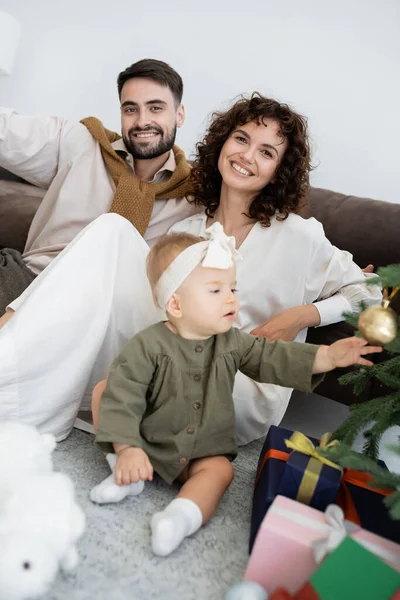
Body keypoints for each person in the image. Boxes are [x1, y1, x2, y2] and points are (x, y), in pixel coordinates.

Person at [89, 224, 382, 557]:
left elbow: (275, 356)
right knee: (105, 392)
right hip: (147, 438)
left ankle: (180, 518)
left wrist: (326, 356)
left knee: (220, 471)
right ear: (176, 304)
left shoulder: (233, 343)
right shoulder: (148, 346)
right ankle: (125, 473)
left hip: (197, 449)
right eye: (216, 291)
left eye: (232, 288)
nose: (231, 299)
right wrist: (127, 448)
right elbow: (125, 396)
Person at [170, 93, 382, 444]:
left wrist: (301, 316)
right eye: (241, 139)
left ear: (277, 172)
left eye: (266, 152)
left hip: (248, 386)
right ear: (223, 143)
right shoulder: (187, 233)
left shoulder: (299, 236)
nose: (247, 156)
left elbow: (370, 292)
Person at [0, 58, 198, 319]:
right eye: (131, 110)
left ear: (179, 114)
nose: (142, 121)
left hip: (102, 314)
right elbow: (7, 131)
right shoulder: (82, 143)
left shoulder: (193, 195)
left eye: (155, 108)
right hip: (31, 280)